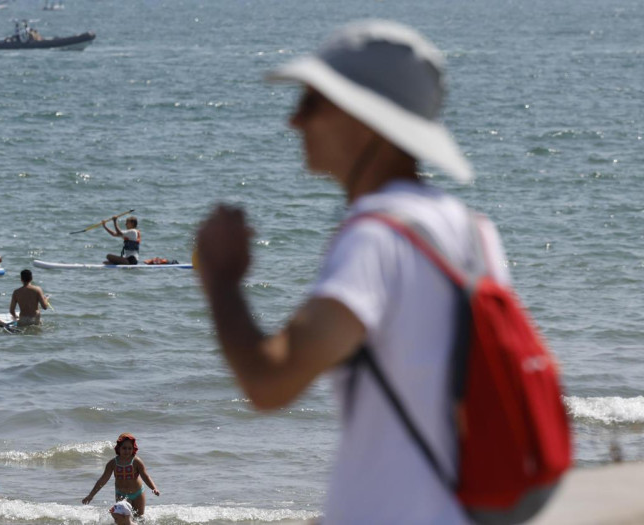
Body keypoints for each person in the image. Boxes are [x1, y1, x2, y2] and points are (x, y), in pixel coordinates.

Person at [195, 21, 501, 522]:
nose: (294, 121)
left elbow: (270, 382)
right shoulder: (471, 229)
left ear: (363, 119)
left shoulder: (377, 237)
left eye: (312, 103)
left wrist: (221, 278)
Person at [81, 433, 160, 516]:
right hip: (121, 495)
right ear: (119, 448)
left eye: (130, 448)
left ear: (133, 449)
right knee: (124, 517)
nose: (127, 451)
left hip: (138, 493)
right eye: (124, 448)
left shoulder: (136, 462)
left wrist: (154, 488)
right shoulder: (113, 463)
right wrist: (91, 495)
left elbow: (145, 476)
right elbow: (102, 480)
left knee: (139, 517)